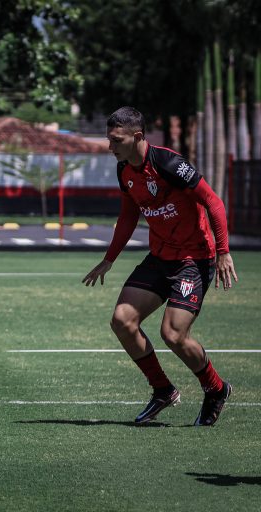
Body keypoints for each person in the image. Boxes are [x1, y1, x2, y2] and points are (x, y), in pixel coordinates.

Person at [83, 106, 238, 426]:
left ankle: (216, 389)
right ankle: (163, 390)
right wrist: (109, 259)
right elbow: (128, 215)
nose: (110, 146)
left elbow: (213, 202)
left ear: (137, 137)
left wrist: (223, 251)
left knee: (173, 334)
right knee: (122, 320)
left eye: (116, 140)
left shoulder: (169, 164)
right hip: (160, 257)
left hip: (194, 259)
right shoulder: (124, 169)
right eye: (108, 139)